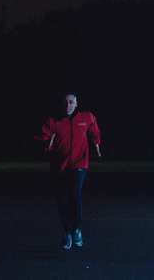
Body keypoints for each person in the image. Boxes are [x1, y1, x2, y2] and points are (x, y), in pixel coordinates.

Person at [35, 91, 101, 249]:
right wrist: (48, 143)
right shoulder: (53, 121)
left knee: (74, 191)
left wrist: (96, 143)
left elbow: (94, 127)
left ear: (77, 104)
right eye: (65, 102)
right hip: (59, 166)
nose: (68, 105)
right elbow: (40, 139)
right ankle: (67, 230)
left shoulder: (85, 118)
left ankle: (76, 228)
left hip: (79, 164)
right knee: (63, 199)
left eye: (71, 102)